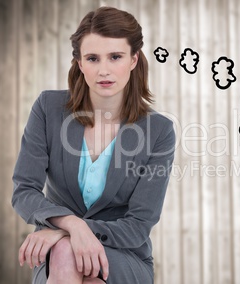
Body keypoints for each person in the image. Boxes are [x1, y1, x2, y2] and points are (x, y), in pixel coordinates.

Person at [11, 6, 175, 284]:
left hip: (124, 255)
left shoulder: (158, 130)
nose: (104, 70)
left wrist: (65, 233)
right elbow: (24, 191)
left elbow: (138, 225)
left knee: (66, 250)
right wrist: (71, 225)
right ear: (79, 63)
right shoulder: (48, 108)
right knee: (69, 258)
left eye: (115, 57)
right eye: (93, 58)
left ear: (133, 60)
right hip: (56, 255)